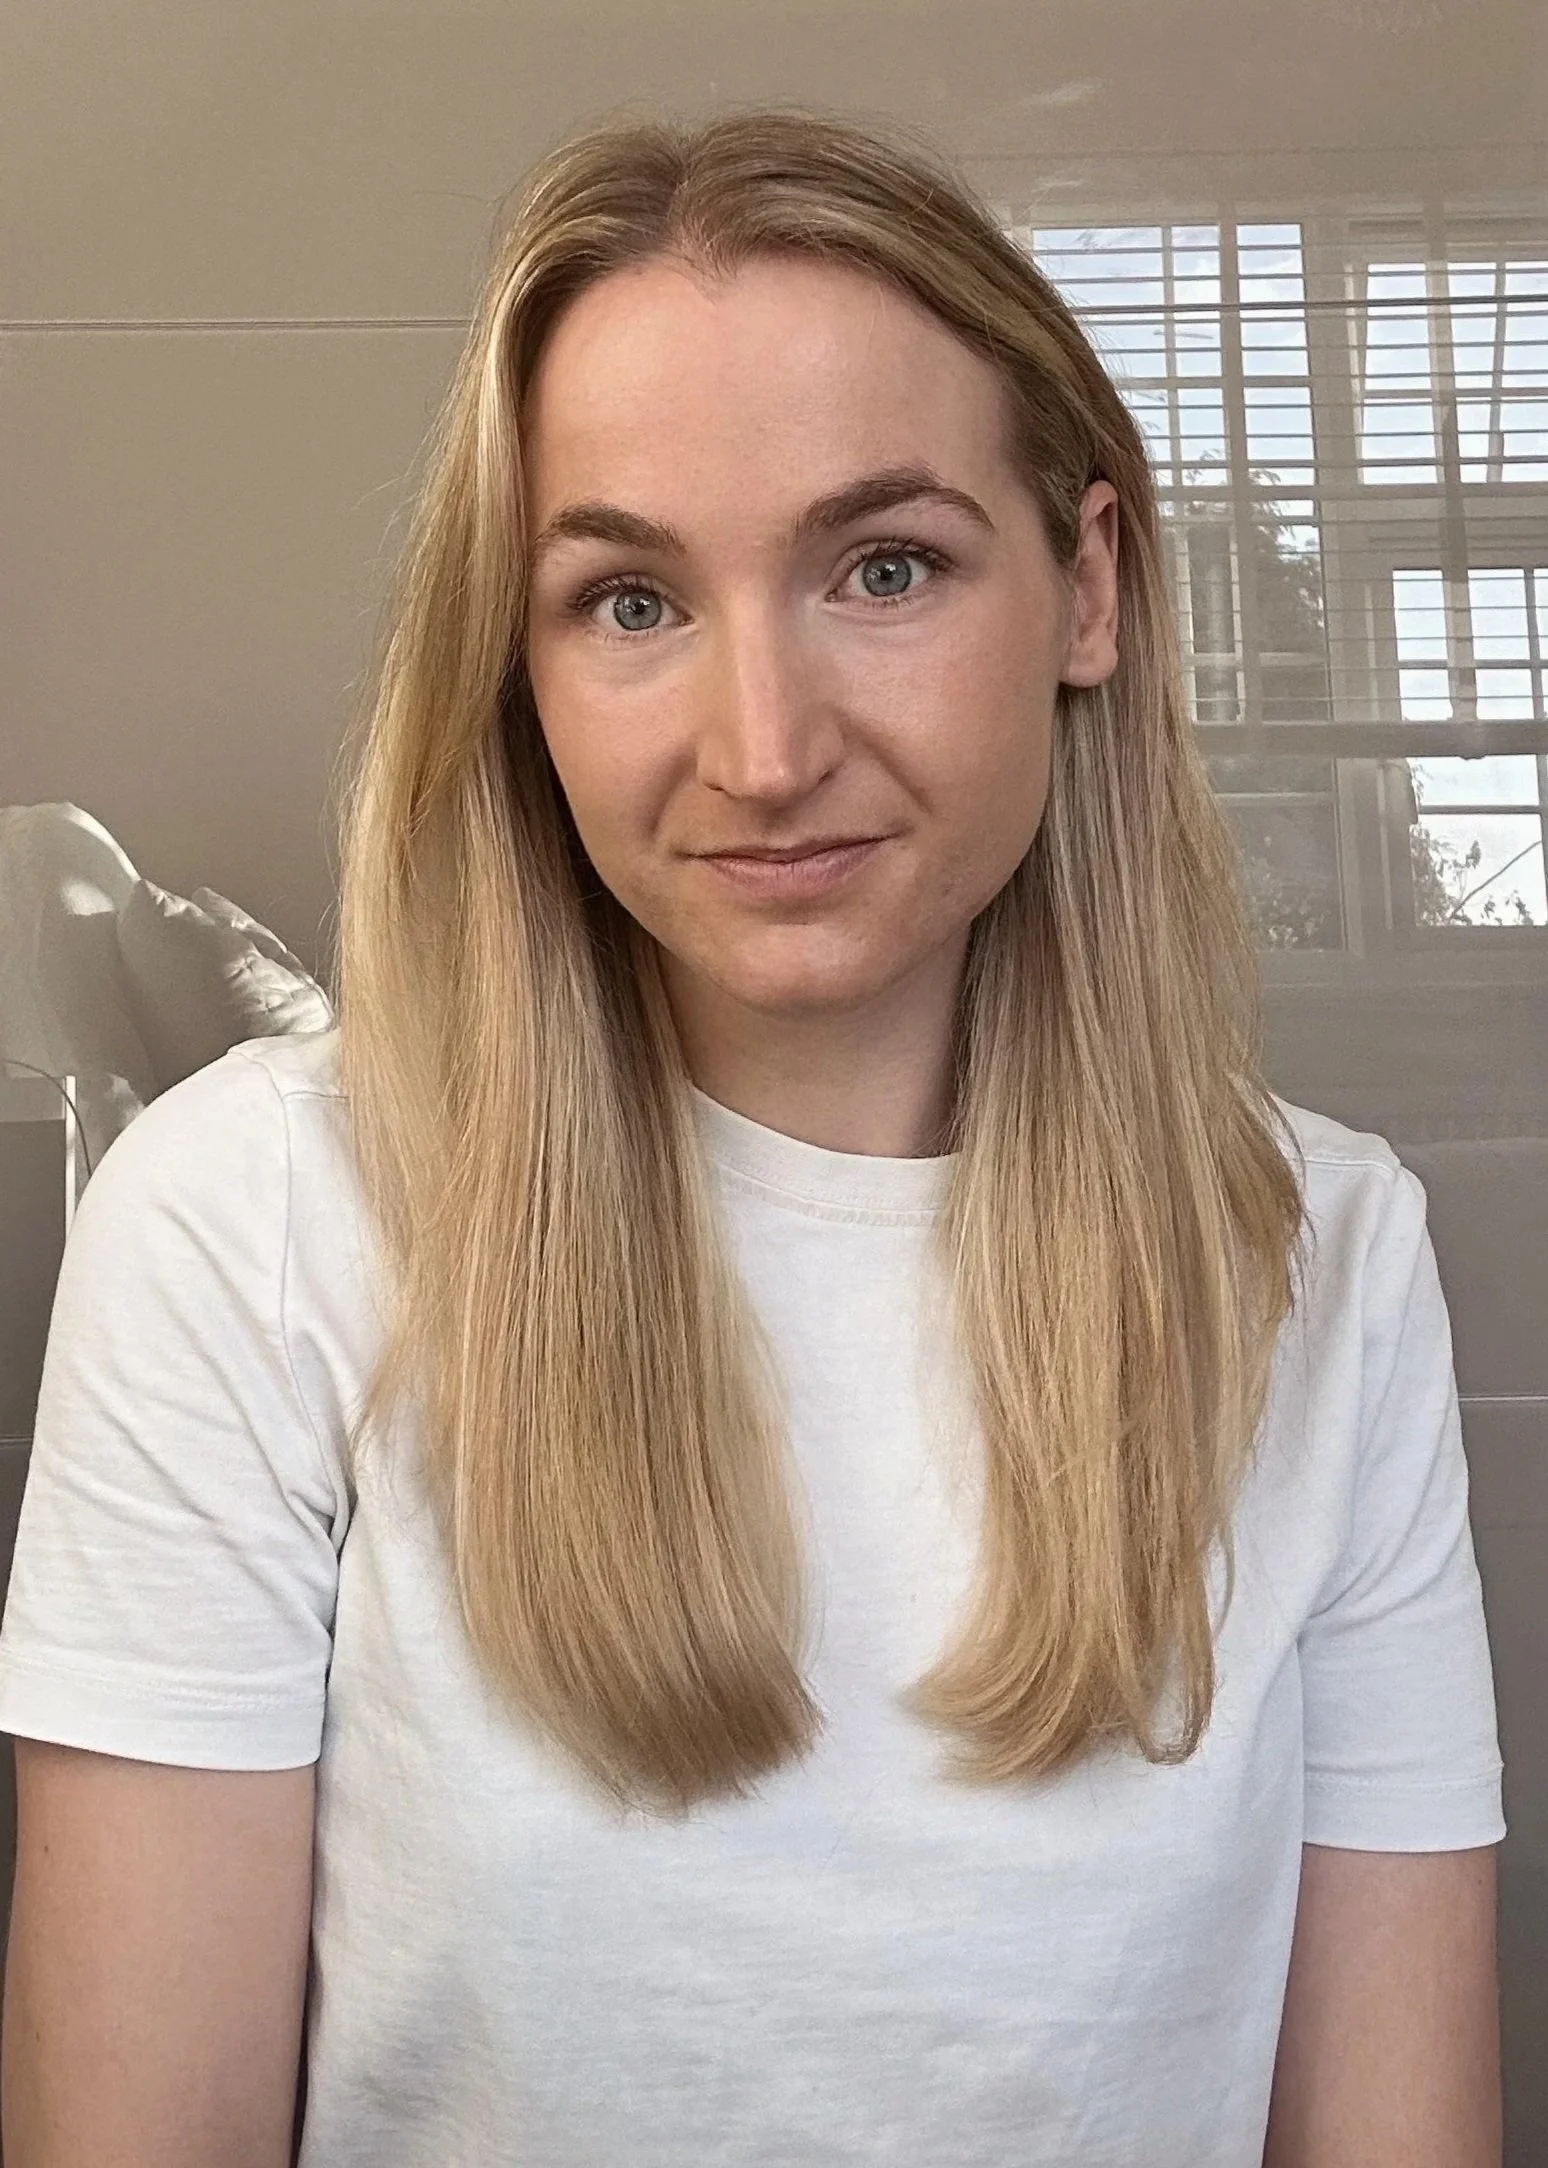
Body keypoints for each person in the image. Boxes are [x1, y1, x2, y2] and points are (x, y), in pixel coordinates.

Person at [0, 104, 1505, 2168]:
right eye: (630, 603)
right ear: (517, 667)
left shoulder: (1323, 1256)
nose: (765, 750)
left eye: (884, 566)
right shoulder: (247, 1224)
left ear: (1086, 585)